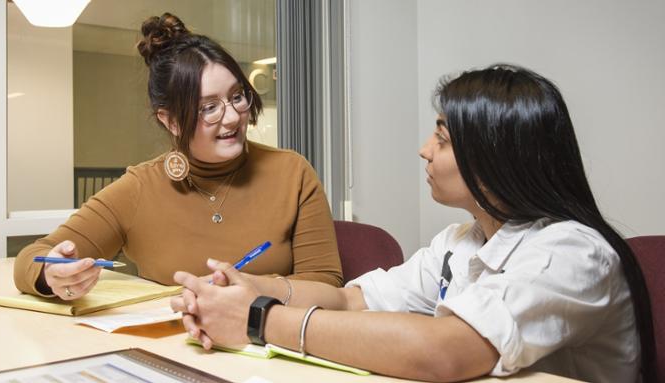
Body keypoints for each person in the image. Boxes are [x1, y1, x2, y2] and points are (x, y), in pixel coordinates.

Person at [171, 65, 655, 382]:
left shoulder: (572, 253)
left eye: (441, 140)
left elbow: (446, 351)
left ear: (493, 158)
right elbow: (351, 299)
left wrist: (260, 320)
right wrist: (250, 288)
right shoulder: (462, 240)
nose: (424, 149)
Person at [13, 13, 343, 300]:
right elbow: (34, 257)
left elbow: (326, 286)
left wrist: (253, 288)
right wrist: (52, 277)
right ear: (169, 120)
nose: (231, 117)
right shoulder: (139, 188)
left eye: (237, 96)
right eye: (209, 107)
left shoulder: (291, 172)